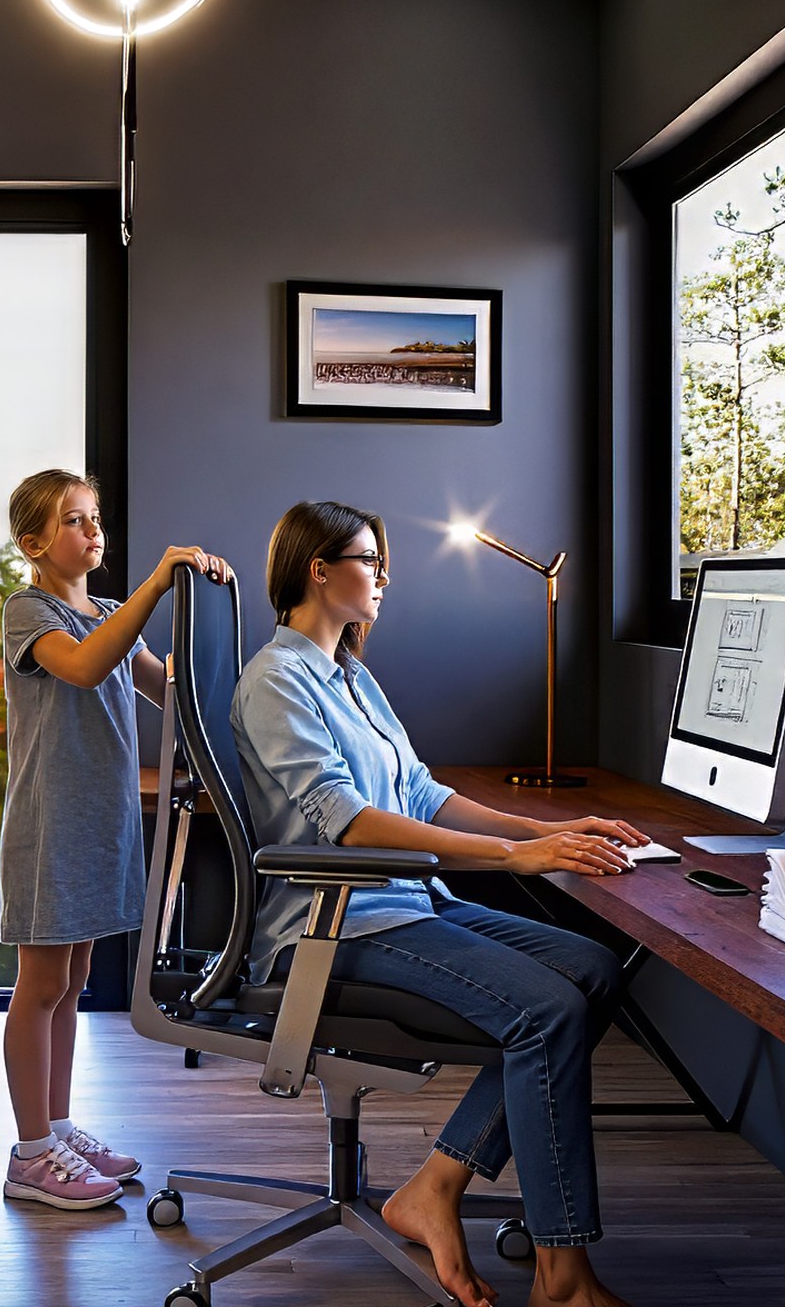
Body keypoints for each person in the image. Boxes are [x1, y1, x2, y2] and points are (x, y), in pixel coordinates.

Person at [232, 500, 648, 1307]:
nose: (384, 576)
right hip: (333, 927)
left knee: (596, 969)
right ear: (319, 570)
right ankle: (564, 1278)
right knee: (544, 1012)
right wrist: (513, 856)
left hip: (409, 902)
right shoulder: (275, 682)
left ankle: (434, 1185)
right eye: (367, 560)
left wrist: (548, 829)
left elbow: (421, 794)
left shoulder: (350, 674)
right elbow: (348, 821)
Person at [0, 467, 232, 1210]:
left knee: (70, 987)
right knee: (39, 988)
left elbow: (174, 691)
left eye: (95, 517)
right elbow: (87, 664)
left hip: (102, 824)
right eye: (75, 520)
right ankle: (30, 1154)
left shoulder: (103, 608)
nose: (93, 530)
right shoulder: (28, 613)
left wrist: (206, 604)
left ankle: (57, 1127)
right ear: (34, 543)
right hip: (50, 824)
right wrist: (158, 585)